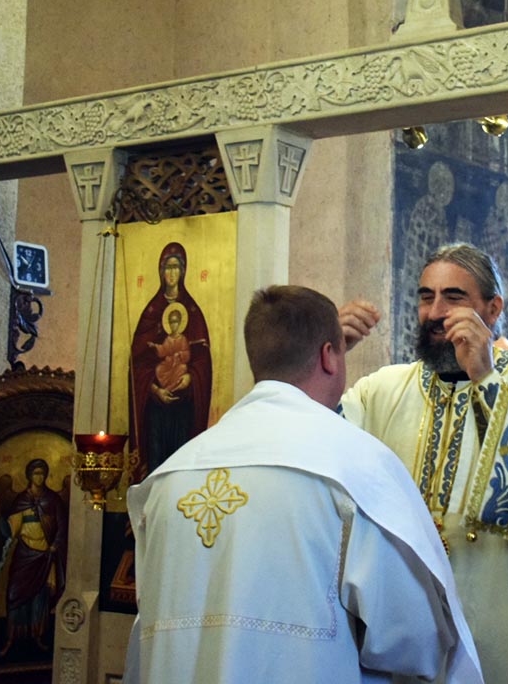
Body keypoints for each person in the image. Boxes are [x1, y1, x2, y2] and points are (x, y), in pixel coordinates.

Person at [125, 285, 482, 683]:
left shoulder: (169, 477)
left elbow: (148, 629)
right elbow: (414, 639)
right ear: (329, 356)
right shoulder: (357, 468)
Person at [339, 242, 508, 684]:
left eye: (453, 298)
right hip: (403, 625)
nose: (435, 313)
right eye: (426, 297)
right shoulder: (382, 390)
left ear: (493, 308)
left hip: (498, 622)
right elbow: (313, 444)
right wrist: (325, 357)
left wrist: (485, 377)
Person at [129, 242, 213, 477]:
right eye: (168, 267)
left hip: (184, 403)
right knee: (156, 458)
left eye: (177, 267)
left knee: (180, 458)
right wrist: (155, 390)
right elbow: (138, 363)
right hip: (156, 406)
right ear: (161, 271)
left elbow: (202, 361)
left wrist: (190, 378)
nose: (172, 273)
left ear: (183, 271)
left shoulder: (193, 312)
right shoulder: (151, 312)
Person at [0, 458, 68, 657]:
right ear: (29, 476)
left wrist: (55, 545)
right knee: (15, 594)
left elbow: (62, 526)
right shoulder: (21, 500)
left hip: (45, 555)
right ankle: (11, 637)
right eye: (36, 473)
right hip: (24, 554)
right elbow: (10, 531)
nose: (39, 477)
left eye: (42, 473)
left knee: (40, 597)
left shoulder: (53, 500)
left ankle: (37, 636)